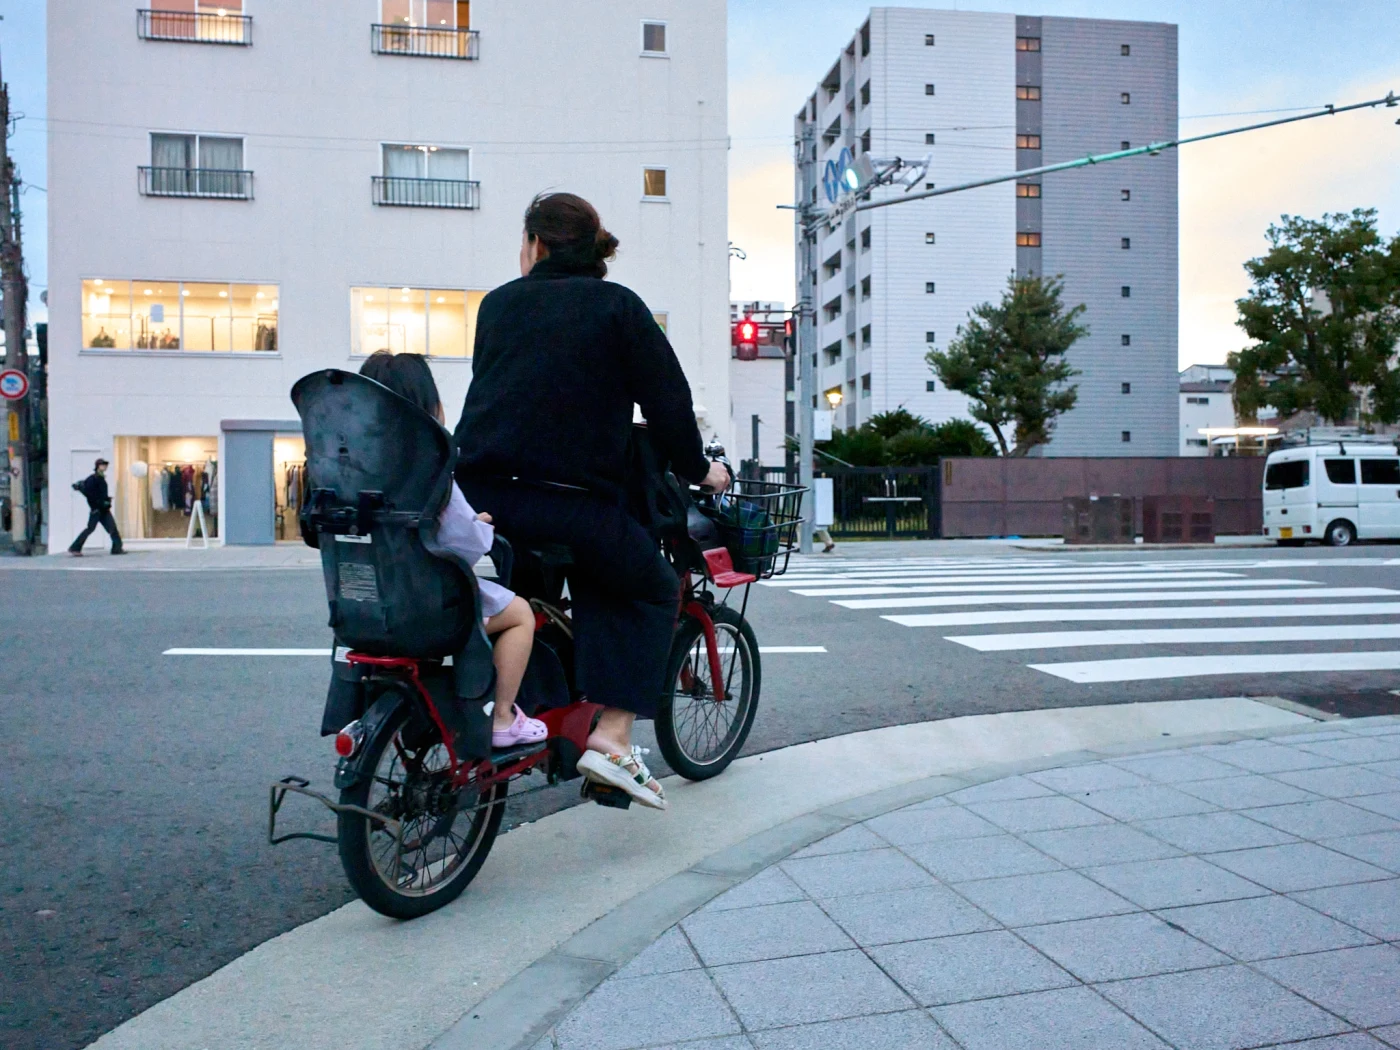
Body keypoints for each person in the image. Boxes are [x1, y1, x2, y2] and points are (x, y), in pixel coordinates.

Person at [454, 192, 730, 811]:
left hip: (485, 501)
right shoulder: (618, 308)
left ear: (535, 244)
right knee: (651, 585)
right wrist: (700, 469)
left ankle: (522, 707)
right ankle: (612, 737)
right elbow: (668, 406)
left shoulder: (497, 305)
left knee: (549, 586)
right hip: (571, 505)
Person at [358, 351, 545, 749]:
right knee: (519, 615)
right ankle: (502, 717)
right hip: (426, 607)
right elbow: (463, 542)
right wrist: (481, 526)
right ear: (427, 404)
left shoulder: (353, 467)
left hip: (366, 607)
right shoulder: (428, 462)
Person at [69, 458, 125, 556]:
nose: (105, 467)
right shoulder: (93, 479)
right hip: (97, 510)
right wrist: (100, 503)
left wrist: (106, 500)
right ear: (98, 466)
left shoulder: (100, 478)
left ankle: (117, 548)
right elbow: (90, 495)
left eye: (105, 465)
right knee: (90, 529)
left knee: (112, 528)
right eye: (103, 465)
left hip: (103, 509)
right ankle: (75, 548)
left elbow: (99, 494)